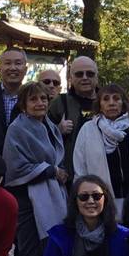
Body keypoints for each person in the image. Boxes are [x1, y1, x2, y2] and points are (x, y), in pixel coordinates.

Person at [2, 82, 68, 256]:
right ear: (23, 104)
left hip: (49, 195)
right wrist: (51, 171)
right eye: (33, 99)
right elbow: (15, 167)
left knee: (47, 254)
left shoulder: (48, 126)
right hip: (27, 199)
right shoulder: (17, 129)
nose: (40, 103)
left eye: (43, 98)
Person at [72, 83, 129, 220]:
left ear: (123, 103)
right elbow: (80, 169)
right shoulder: (88, 129)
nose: (111, 103)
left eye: (116, 98)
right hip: (99, 203)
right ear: (99, 104)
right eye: (106, 99)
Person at [47, 55, 98, 186]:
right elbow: (42, 137)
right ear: (71, 78)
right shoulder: (60, 102)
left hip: (102, 173)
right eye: (79, 74)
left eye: (90, 74)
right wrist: (58, 130)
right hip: (69, 177)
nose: (85, 77)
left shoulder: (107, 101)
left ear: (97, 76)